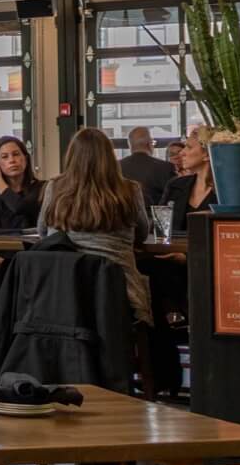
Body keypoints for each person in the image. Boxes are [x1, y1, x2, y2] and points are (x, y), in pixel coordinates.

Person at [38, 128, 153, 330]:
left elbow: (43, 233)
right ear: (110, 157)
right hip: (120, 292)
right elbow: (142, 233)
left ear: (71, 157)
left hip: (65, 293)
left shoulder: (54, 187)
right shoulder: (130, 189)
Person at [0, 135, 44, 232]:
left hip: (33, 246)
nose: (12, 160)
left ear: (26, 158)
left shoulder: (42, 188)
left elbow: (20, 207)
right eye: (4, 157)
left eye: (16, 154)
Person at [164, 128, 216, 234]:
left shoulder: (226, 192)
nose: (182, 153)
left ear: (207, 154)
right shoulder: (175, 185)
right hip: (174, 249)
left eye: (189, 147)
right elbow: (160, 226)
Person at [117, 126, 177, 205]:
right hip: (154, 216)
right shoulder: (166, 167)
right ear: (149, 144)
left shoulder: (115, 167)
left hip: (122, 216)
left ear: (130, 146)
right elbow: (173, 200)